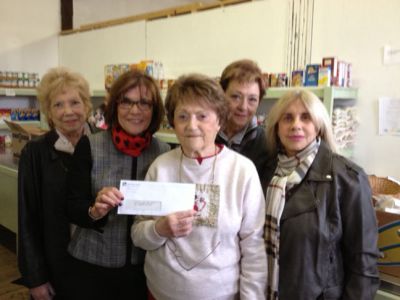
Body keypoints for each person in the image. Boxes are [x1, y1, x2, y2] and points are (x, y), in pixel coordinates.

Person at [132, 74, 267, 300]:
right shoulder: (160, 167)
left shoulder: (242, 171)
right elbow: (138, 234)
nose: (191, 125)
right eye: (182, 116)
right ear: (173, 122)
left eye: (202, 116)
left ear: (220, 121)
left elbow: (254, 246)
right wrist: (159, 229)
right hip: (161, 293)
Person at [263, 89, 379, 299]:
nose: (296, 125)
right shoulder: (266, 174)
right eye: (287, 117)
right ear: (277, 127)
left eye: (306, 117)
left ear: (318, 126)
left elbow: (364, 262)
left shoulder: (348, 178)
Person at [66, 69, 170, 300]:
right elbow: (72, 206)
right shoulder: (90, 146)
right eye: (126, 102)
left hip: (142, 269)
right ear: (114, 106)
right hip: (91, 267)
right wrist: (95, 210)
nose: (135, 110)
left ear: (154, 110)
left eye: (144, 103)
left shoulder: (163, 151)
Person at [18, 67, 93, 300]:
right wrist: (36, 278)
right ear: (48, 113)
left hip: (98, 264)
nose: (68, 111)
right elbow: (27, 217)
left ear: (87, 106)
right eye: (58, 105)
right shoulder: (35, 152)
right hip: (56, 264)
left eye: (74, 102)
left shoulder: (104, 145)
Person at [217, 59, 268, 179]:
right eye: (236, 97)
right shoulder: (206, 136)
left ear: (259, 102)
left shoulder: (267, 144)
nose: (243, 107)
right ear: (221, 95)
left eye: (252, 99)